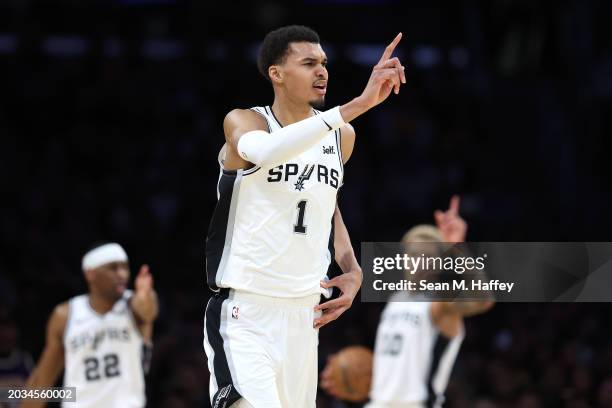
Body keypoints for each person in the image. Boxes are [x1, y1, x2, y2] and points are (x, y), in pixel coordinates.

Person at [204, 24, 406, 408]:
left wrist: (352, 268)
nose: (322, 72)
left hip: (304, 316)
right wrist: (357, 105)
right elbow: (263, 152)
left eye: (324, 63)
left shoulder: (341, 137)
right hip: (247, 311)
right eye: (309, 62)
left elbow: (327, 204)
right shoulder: (246, 121)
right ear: (276, 74)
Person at [321, 196, 494, 408]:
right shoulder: (396, 299)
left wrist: (457, 247)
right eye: (413, 252)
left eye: (427, 254)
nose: (418, 259)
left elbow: (483, 298)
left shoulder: (440, 303)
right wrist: (351, 369)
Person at [22, 242, 158, 408]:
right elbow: (42, 381)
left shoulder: (132, 306)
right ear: (90, 273)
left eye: (125, 267)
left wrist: (146, 295)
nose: (122, 274)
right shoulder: (65, 315)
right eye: (113, 268)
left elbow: (147, 310)